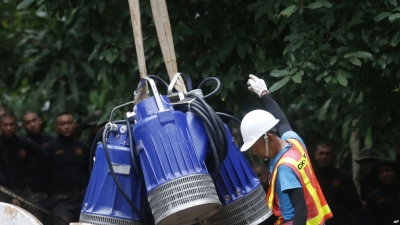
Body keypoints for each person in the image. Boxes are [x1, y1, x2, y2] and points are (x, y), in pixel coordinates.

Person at [240, 74, 332, 225]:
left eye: (254, 146)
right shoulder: (295, 142)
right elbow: (282, 121)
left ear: (268, 138)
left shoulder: (284, 169)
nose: (253, 152)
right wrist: (264, 93)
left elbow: (300, 208)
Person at [44, 112, 90, 225]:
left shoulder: (83, 147)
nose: (66, 126)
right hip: (61, 200)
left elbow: (89, 170)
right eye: (62, 124)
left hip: (82, 197)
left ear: (74, 124)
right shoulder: (50, 148)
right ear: (56, 127)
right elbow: (44, 174)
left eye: (69, 123)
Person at [0, 112, 48, 217]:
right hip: (4, 191)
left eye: (11, 125)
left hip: (25, 189)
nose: (9, 128)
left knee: (33, 217)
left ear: (16, 126)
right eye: (5, 125)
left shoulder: (25, 142)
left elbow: (44, 157)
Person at [314, 141, 362, 225]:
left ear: (333, 156)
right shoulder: (311, 178)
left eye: (327, 154)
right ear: (316, 156)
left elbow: (355, 205)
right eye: (321, 154)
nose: (324, 157)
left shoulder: (343, 177)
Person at [366, 159, 400, 225]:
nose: (384, 174)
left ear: (395, 172)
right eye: (381, 172)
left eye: (387, 170)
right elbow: (370, 220)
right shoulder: (373, 196)